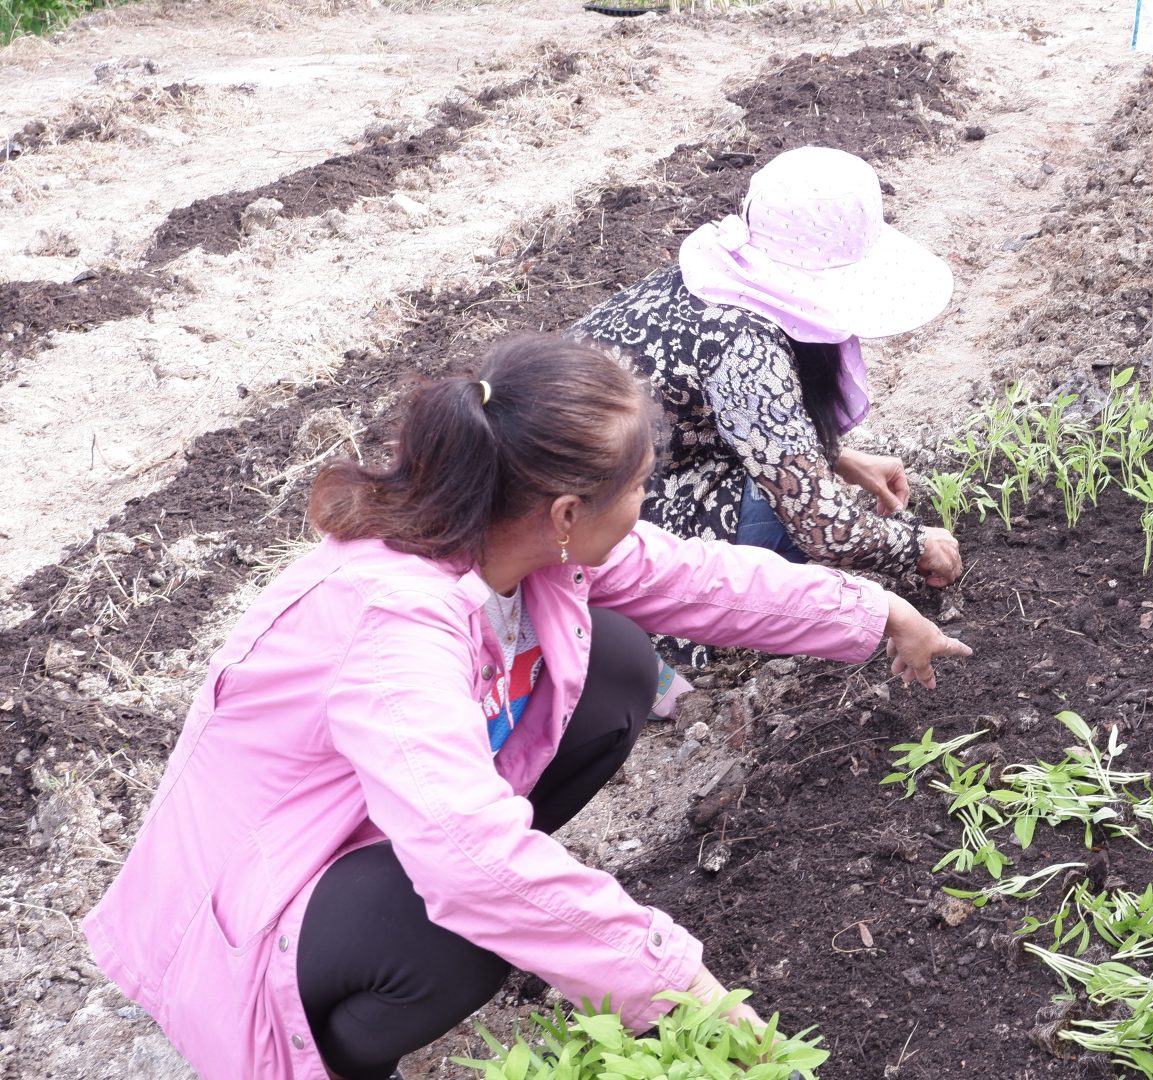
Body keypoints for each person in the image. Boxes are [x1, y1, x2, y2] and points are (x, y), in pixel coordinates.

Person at [83, 335, 972, 1080]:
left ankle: (495, 910)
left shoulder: (506, 531)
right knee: (464, 931)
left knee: (614, 663)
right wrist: (681, 986)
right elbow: (471, 866)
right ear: (564, 512)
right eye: (637, 487)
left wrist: (873, 611)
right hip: (243, 912)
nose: (645, 505)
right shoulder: (394, 626)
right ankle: (330, 1049)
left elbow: (693, 577)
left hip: (367, 826)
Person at [572, 145, 963, 670]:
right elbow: (823, 528)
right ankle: (666, 632)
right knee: (783, 512)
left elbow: (713, 418)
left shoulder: (717, 275)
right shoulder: (744, 343)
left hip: (589, 494)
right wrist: (916, 545)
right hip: (600, 533)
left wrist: (837, 458)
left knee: (795, 484)